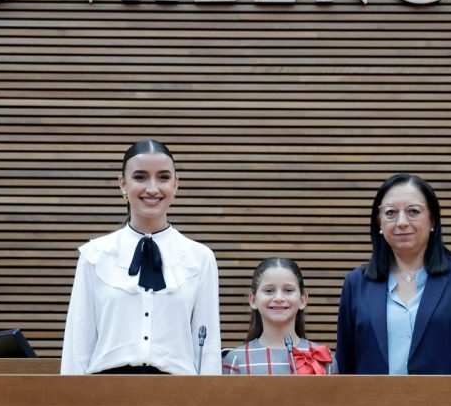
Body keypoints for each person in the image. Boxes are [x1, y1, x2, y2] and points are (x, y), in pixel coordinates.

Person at [61, 139, 221, 374]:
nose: (153, 188)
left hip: (178, 388)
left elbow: (208, 345)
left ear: (176, 185)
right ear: (123, 183)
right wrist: (71, 395)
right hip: (106, 388)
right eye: (141, 177)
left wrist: (210, 395)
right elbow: (78, 341)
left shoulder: (200, 258)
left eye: (163, 177)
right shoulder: (95, 255)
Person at [335, 173, 451, 376]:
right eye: (391, 212)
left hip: (446, 397)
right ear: (379, 222)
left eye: (413, 211)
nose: (401, 222)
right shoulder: (356, 283)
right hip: (374, 397)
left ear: (432, 219)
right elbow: (345, 363)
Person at [223, 258, 333, 375]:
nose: (279, 298)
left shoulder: (323, 357)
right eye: (269, 291)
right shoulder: (236, 359)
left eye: (288, 290)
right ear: (253, 300)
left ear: (302, 300)